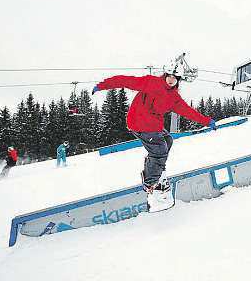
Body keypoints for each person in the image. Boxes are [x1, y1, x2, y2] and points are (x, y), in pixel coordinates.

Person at [92, 60, 216, 194]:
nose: (171, 80)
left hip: (153, 124)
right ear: (165, 75)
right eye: (169, 76)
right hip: (139, 122)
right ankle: (150, 184)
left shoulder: (174, 97)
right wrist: (102, 85)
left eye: (175, 78)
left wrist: (207, 121)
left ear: (178, 80)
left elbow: (188, 111)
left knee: (168, 140)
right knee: (159, 150)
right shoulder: (151, 83)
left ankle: (153, 167)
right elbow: (126, 81)